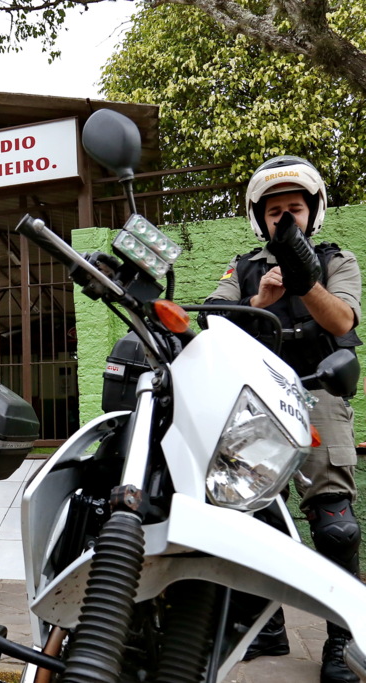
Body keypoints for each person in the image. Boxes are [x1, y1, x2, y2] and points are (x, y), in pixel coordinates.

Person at [204, 155, 362, 683]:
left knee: (335, 527)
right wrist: (259, 299)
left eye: (294, 208)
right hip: (255, 401)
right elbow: (211, 321)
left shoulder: (337, 261)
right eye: (275, 212)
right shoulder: (242, 265)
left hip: (317, 391)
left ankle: (342, 642)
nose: (285, 218)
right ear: (260, 218)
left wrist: (302, 280)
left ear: (312, 211)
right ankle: (265, 628)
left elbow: (341, 318)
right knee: (249, 516)